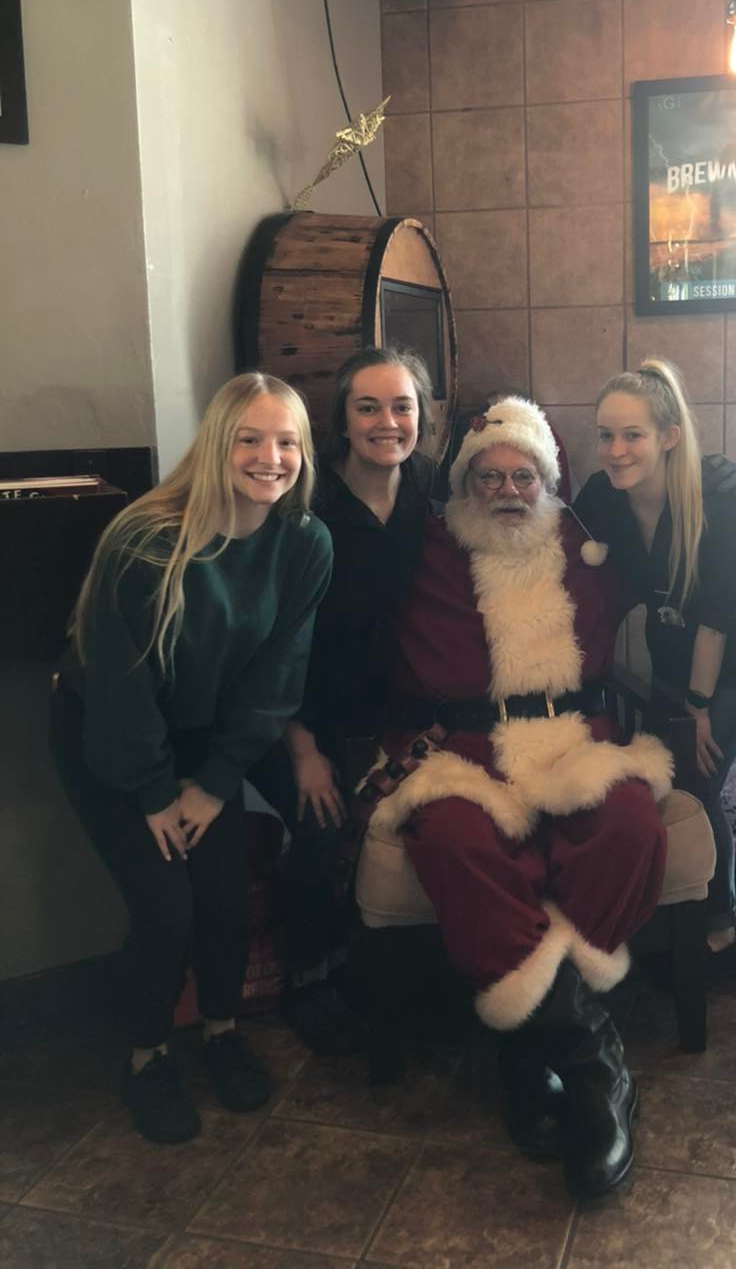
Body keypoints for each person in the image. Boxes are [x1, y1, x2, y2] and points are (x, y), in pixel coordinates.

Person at [369, 398, 672, 1198]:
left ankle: (531, 1042)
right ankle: (587, 1055)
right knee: (453, 839)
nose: (507, 491)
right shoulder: (426, 549)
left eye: (523, 476)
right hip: (462, 749)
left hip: (575, 738)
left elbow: (676, 550)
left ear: (548, 480)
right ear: (465, 482)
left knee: (631, 824)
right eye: (490, 477)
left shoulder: (586, 543)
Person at [50, 372, 333, 1142]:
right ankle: (146, 1058)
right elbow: (121, 686)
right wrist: (152, 793)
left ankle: (221, 1032)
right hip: (111, 732)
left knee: (227, 902)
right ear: (216, 445)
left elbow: (277, 676)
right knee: (165, 907)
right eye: (250, 439)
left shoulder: (304, 542)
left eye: (287, 442)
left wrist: (213, 784)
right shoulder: (146, 539)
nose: (270, 457)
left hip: (206, 739)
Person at [246, 346, 436, 1054]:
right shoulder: (306, 508)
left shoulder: (431, 495)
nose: (387, 422)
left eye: (401, 406)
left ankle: (385, 961)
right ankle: (308, 975)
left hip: (399, 714)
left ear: (421, 416)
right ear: (342, 420)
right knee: (321, 826)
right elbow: (271, 645)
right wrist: (303, 750)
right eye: (368, 407)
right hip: (301, 717)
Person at [574, 360, 736, 978]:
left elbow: (716, 620)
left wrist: (697, 708)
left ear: (669, 436)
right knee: (666, 780)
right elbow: (571, 552)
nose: (615, 450)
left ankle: (721, 930)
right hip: (673, 650)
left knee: (699, 784)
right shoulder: (602, 498)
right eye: (606, 435)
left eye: (632, 435)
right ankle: (675, 909)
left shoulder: (721, 508)